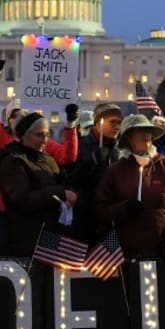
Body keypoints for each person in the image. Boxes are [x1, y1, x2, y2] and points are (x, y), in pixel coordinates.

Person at [95, 114, 165, 260]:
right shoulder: (115, 171)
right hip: (125, 258)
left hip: (163, 257)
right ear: (128, 137)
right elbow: (101, 211)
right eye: (140, 130)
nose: (147, 134)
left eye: (149, 130)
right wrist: (124, 209)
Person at [0, 111, 78, 256]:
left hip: (51, 235)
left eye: (47, 135)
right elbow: (22, 200)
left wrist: (71, 194)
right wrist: (60, 193)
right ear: (23, 135)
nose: (45, 140)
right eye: (39, 135)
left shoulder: (48, 159)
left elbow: (62, 182)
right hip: (28, 238)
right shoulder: (13, 161)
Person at [68, 103, 125, 241]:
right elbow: (70, 180)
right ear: (98, 123)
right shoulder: (81, 146)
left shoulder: (122, 149)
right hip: (85, 219)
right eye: (113, 122)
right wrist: (91, 162)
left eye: (119, 123)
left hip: (113, 218)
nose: (117, 127)